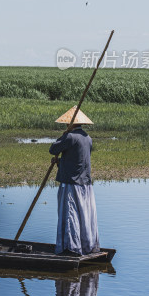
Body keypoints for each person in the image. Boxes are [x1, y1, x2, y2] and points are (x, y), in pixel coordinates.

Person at [49, 107, 99, 256]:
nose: (65, 126)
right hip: (85, 185)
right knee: (83, 215)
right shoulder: (87, 138)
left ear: (71, 124)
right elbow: (76, 160)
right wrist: (60, 163)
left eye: (66, 125)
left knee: (70, 214)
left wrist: (63, 136)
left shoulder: (70, 137)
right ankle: (86, 246)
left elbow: (53, 149)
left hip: (71, 184)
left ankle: (71, 248)